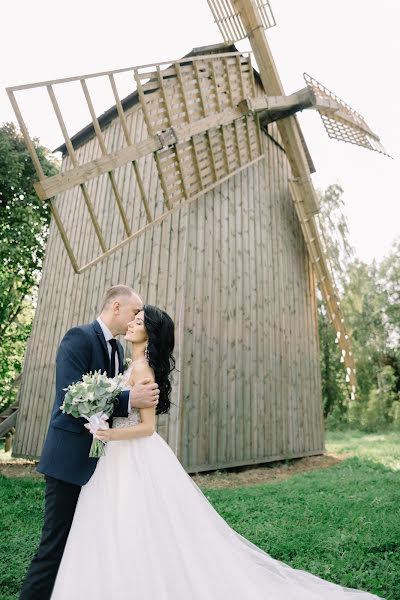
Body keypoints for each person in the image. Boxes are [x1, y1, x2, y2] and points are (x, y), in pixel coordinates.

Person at [50, 304, 383, 600]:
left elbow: (148, 427)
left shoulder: (141, 370)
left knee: (134, 522)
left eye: (140, 320)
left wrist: (108, 433)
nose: (133, 323)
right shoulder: (128, 363)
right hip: (119, 456)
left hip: (131, 452)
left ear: (151, 332)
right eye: (133, 318)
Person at [19, 285, 160, 600]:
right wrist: (128, 399)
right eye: (135, 312)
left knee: (85, 542)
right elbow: (69, 398)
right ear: (117, 307)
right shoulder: (78, 338)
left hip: (101, 463)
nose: (138, 318)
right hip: (69, 459)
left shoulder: (118, 351)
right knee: (55, 546)